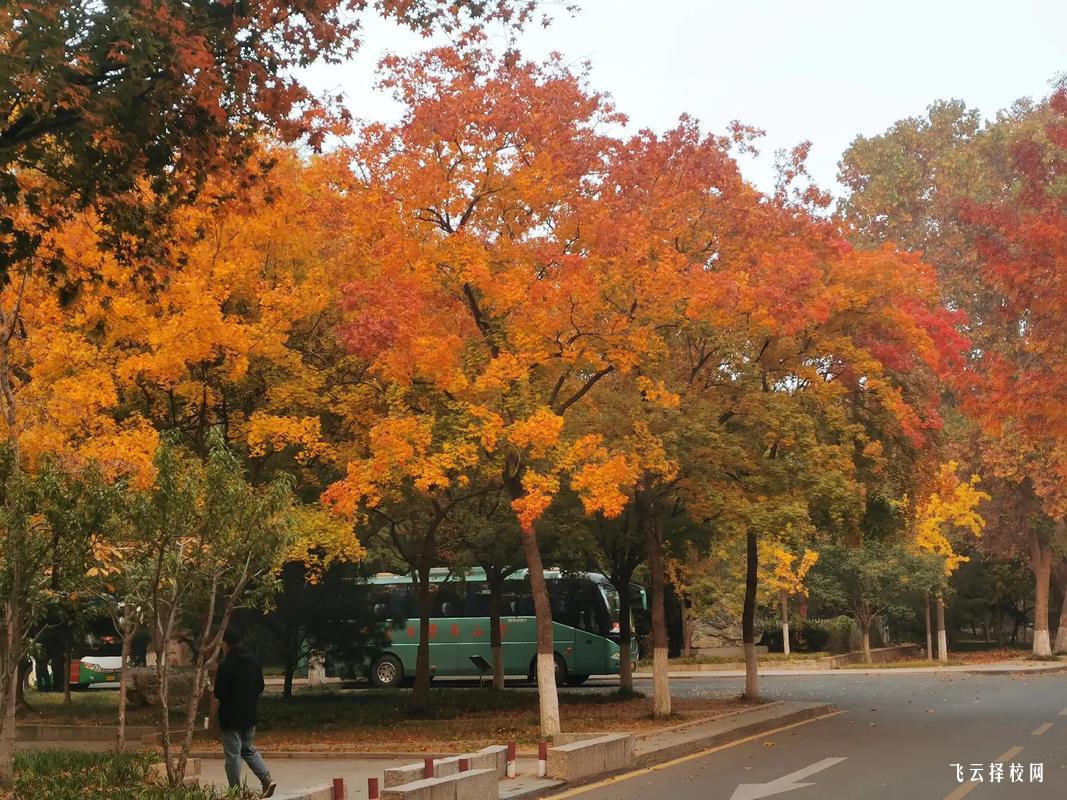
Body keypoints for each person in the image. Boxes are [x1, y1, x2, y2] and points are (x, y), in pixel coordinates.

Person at [214, 628, 276, 797]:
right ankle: (266, 779)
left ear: (225, 644)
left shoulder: (226, 665)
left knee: (233, 754)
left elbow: (219, 692)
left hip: (231, 717)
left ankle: (235, 792)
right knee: (247, 749)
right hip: (250, 714)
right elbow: (260, 686)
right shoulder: (253, 661)